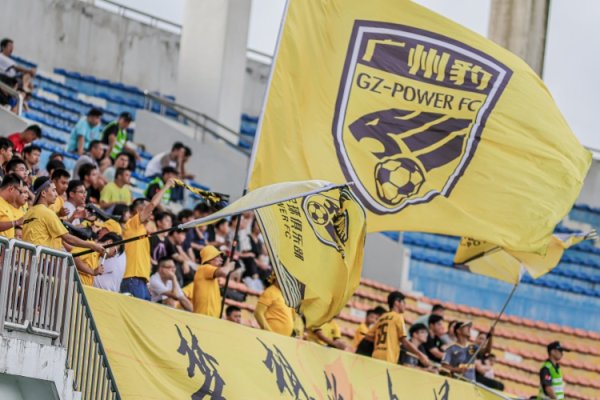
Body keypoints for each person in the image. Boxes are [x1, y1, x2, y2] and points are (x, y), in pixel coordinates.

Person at [120, 179, 174, 300]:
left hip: (142, 282)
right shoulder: (133, 224)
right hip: (132, 279)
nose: (150, 212)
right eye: (146, 208)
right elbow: (153, 204)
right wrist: (166, 186)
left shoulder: (143, 232)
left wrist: (147, 282)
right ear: (138, 210)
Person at [22, 177, 104, 254]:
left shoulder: (29, 212)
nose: (56, 194)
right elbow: (68, 238)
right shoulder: (47, 212)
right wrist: (92, 245)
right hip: (40, 260)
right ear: (43, 193)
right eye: (53, 190)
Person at [368, 291, 430, 366]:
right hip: (388, 358)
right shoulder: (398, 317)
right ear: (397, 302)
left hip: (376, 356)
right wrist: (420, 354)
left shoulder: (381, 317)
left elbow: (369, 337)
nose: (405, 305)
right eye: (404, 302)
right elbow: (404, 341)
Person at [192, 245, 234, 317]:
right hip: (205, 317)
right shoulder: (204, 268)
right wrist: (230, 266)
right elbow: (224, 272)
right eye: (218, 257)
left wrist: (229, 259)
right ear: (210, 258)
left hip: (209, 317)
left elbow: (223, 271)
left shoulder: (209, 273)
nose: (221, 259)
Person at [93, 221, 126, 292]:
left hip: (99, 291)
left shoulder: (113, 251)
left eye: (103, 229)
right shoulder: (119, 251)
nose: (99, 231)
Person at [0, 174, 25, 238]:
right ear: (11, 189)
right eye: (20, 192)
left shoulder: (7, 204)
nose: (20, 195)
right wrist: (16, 222)